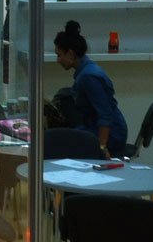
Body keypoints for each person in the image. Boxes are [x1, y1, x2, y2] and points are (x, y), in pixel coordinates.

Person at [53, 20, 128, 158]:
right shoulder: (86, 70)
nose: (58, 60)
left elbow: (105, 116)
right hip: (97, 128)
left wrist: (101, 148)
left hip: (111, 135)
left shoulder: (88, 77)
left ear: (70, 54)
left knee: (56, 142)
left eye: (59, 55)